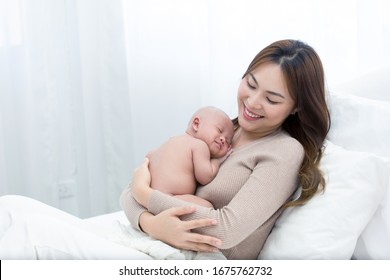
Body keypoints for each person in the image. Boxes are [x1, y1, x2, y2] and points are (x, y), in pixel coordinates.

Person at [120, 39, 331, 260]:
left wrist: (145, 195)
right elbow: (131, 191)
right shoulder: (225, 131)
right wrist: (150, 224)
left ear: (295, 107)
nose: (253, 102)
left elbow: (226, 230)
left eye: (271, 99)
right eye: (250, 84)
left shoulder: (284, 151)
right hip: (162, 243)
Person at [146, 106, 234, 208]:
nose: (223, 139)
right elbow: (206, 177)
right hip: (170, 198)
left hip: (150, 195)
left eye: (228, 141)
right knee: (207, 207)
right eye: (219, 130)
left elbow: (149, 155)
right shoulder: (199, 146)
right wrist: (217, 161)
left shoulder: (173, 140)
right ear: (196, 124)